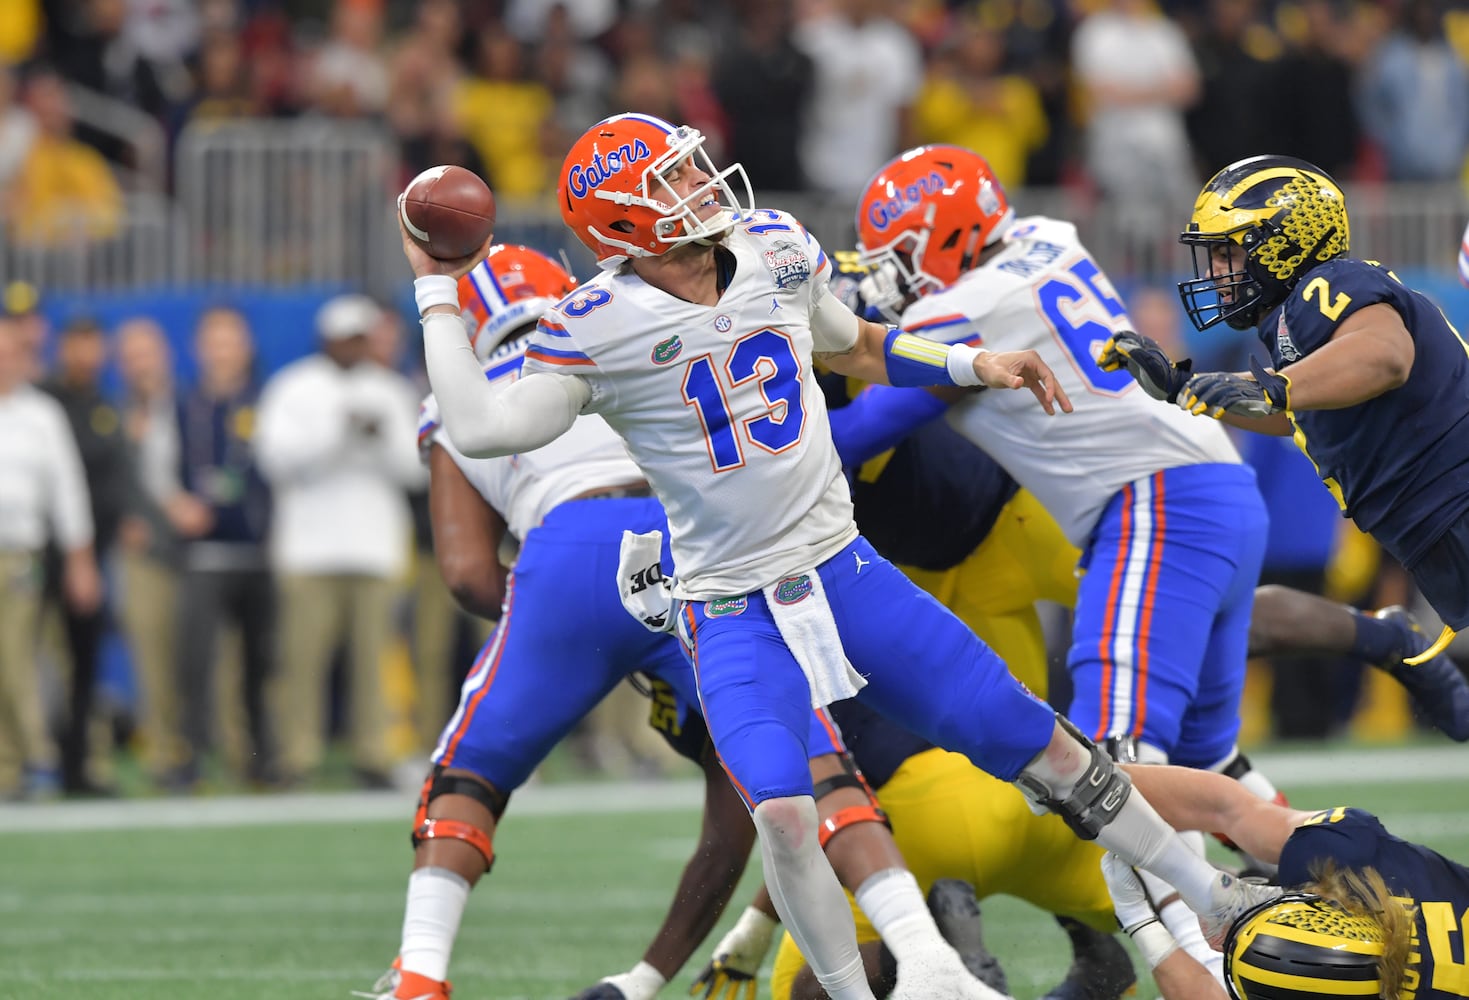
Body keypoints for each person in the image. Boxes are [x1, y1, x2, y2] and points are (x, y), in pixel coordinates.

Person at [406, 112, 1276, 1000]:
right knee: (783, 814)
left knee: (1040, 743)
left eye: (686, 167)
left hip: (841, 570)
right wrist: (438, 289)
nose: (697, 183)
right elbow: (478, 425)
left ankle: (1211, 895)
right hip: (729, 605)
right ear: (620, 223)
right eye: (666, 181)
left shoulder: (775, 243)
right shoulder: (593, 322)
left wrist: (972, 365)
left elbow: (856, 343)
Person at [367, 247, 959, 1000]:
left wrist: (578, 640)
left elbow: (467, 574)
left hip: (568, 548)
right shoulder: (614, 328)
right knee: (814, 765)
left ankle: (420, 972)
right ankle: (926, 957)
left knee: (469, 773)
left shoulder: (458, 398)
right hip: (694, 540)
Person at [1101, 154, 1469, 666]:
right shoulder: (1296, 325)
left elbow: (1386, 356)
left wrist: (1273, 388)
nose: (1215, 271)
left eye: (1227, 252)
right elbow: (1297, 408)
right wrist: (1185, 385)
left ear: (1283, 245)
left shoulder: (1331, 285)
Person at [578, 684, 1137, 1000]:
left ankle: (924, 950)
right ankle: (1099, 969)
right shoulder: (877, 590)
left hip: (911, 823)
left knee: (800, 988)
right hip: (1026, 795)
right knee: (1166, 913)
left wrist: (745, 934)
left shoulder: (733, 638)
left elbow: (793, 824)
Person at [1098, 763, 1469, 1000]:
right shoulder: (1351, 855)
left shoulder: (1356, 854)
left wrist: (1086, 779)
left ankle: (1207, 892)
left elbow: (1226, 807)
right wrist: (1140, 923)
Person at [254, 294, 424, 788]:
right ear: (328, 339)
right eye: (347, 338)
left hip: (374, 547)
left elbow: (416, 470)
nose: (355, 347)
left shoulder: (391, 391)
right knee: (302, 659)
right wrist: (339, 433)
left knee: (373, 661)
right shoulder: (293, 387)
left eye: (362, 338)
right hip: (309, 548)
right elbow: (277, 462)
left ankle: (373, 754)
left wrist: (376, 437)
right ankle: (296, 756)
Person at [168, 307, 275, 790]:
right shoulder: (184, 406)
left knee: (260, 665)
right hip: (205, 556)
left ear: (246, 346)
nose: (222, 350)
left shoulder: (269, 402)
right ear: (199, 349)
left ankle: (260, 761)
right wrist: (175, 504)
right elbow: (160, 470)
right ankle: (191, 758)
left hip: (259, 555)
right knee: (195, 666)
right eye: (213, 341)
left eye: (230, 340)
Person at [0, 313, 99, 799]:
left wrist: (81, 559)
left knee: (16, 654)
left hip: (20, 553)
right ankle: (7, 767)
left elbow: (68, 491)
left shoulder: (40, 414)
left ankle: (38, 756)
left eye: (8, 355)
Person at [39, 316, 131, 795]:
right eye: (77, 344)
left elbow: (117, 478)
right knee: (31, 665)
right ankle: (33, 762)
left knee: (84, 664)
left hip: (94, 551)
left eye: (93, 344)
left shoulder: (104, 404)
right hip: (47, 551)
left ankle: (78, 766)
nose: (85, 354)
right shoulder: (45, 401)